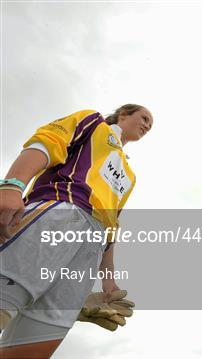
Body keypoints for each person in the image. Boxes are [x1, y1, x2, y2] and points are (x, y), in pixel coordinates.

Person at [0, 104, 153, 357]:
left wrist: (109, 282)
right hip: (61, 216)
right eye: (144, 118)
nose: (147, 125)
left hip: (91, 248)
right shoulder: (94, 122)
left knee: (32, 350)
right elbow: (49, 141)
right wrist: (13, 185)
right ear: (124, 114)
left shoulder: (130, 175)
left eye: (150, 124)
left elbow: (111, 226)